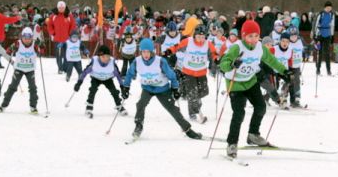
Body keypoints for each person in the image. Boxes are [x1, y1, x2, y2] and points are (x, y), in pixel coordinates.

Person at [218, 20, 291, 158]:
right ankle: (232, 143)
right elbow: (223, 64)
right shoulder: (237, 48)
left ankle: (253, 135)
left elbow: (272, 60)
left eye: (256, 36)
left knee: (261, 107)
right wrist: (232, 64)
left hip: (251, 81)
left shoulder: (260, 48)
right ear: (243, 36)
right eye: (250, 36)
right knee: (239, 113)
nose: (253, 39)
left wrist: (284, 72)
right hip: (235, 83)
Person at [122, 38, 202, 141]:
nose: (146, 54)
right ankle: (138, 126)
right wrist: (126, 87)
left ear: (152, 51)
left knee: (172, 109)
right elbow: (129, 74)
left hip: (162, 89)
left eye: (148, 52)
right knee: (140, 104)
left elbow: (172, 76)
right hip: (147, 88)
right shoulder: (137, 62)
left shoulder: (160, 61)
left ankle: (187, 129)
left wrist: (175, 89)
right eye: (143, 52)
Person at [167, 24, 219, 123]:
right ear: (195, 35)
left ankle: (194, 102)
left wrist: (216, 59)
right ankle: (194, 113)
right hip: (188, 72)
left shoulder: (208, 44)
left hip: (201, 72)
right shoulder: (188, 41)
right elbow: (177, 46)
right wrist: (170, 51)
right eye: (199, 36)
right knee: (193, 93)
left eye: (203, 37)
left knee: (203, 92)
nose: (201, 39)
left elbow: (214, 53)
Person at [0, 27, 41, 114]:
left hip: (30, 69)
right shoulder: (17, 44)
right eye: (25, 38)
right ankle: (3, 105)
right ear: (21, 37)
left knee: (33, 88)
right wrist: (12, 49)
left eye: (29, 38)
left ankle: (33, 107)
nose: (27, 40)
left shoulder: (34, 44)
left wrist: (40, 45)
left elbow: (41, 51)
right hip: (19, 69)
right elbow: (8, 51)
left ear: (32, 38)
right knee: (12, 87)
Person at [74, 44, 127, 118]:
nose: (105, 59)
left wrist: (122, 88)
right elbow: (84, 72)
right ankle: (89, 106)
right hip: (96, 78)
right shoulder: (94, 62)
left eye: (107, 56)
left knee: (114, 91)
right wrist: (79, 83)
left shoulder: (112, 63)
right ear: (99, 56)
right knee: (93, 90)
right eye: (103, 57)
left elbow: (118, 76)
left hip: (108, 79)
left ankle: (119, 105)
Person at [48, 1, 76, 73]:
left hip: (67, 39)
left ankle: (65, 68)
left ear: (65, 8)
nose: (61, 9)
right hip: (57, 39)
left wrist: (70, 34)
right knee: (59, 55)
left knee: (67, 55)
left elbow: (73, 26)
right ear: (57, 8)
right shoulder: (53, 16)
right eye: (59, 8)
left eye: (62, 8)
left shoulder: (69, 16)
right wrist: (53, 33)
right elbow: (49, 26)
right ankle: (60, 68)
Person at [313, 1, 335, 75]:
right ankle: (318, 69)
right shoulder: (321, 14)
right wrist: (315, 35)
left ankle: (328, 70)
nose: (329, 9)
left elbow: (332, 25)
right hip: (320, 33)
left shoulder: (332, 14)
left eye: (330, 8)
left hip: (327, 34)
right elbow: (316, 24)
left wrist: (332, 36)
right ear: (325, 7)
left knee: (327, 53)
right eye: (327, 7)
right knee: (320, 52)